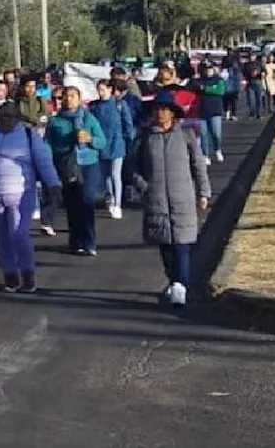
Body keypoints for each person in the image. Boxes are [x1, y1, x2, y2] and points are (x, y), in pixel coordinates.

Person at [130, 91, 211, 308]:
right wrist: (143, 187)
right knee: (165, 246)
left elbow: (198, 165)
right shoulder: (144, 137)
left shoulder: (186, 135)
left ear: (173, 113)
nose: (161, 114)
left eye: (165, 109)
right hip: (156, 199)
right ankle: (173, 280)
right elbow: (132, 168)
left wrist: (203, 192)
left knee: (182, 245)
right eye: (157, 109)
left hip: (182, 197)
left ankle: (180, 285)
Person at [0, 101, 62, 293]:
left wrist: (54, 184)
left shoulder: (29, 136)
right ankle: (10, 276)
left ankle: (28, 274)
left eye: (9, 116)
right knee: (3, 237)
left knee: (19, 235)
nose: (5, 120)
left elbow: (44, 162)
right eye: (2, 115)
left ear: (17, 118)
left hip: (21, 194)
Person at [45, 87, 108, 253]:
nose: (68, 99)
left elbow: (102, 142)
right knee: (72, 204)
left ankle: (90, 242)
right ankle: (76, 242)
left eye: (72, 96)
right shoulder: (55, 121)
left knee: (87, 201)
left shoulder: (89, 118)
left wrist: (90, 139)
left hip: (88, 164)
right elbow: (47, 145)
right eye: (65, 96)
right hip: (67, 165)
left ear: (79, 99)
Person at [91, 79, 135, 220]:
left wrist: (129, 139)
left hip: (117, 144)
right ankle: (110, 196)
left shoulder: (119, 104)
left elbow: (128, 124)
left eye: (103, 89)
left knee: (116, 174)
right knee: (106, 176)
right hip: (101, 144)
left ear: (110, 90)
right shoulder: (94, 107)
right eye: (99, 90)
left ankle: (118, 204)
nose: (101, 92)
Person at [194, 61, 227, 165]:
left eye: (210, 69)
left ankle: (217, 149)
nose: (208, 71)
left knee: (216, 134)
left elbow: (220, 91)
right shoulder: (199, 81)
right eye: (206, 69)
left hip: (215, 110)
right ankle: (205, 155)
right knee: (203, 135)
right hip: (202, 111)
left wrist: (206, 89)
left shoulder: (218, 80)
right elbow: (195, 89)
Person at [223, 57, 242, 121]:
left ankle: (230, 114)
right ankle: (231, 115)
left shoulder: (234, 70)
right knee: (231, 102)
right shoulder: (234, 70)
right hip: (231, 88)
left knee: (230, 102)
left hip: (230, 88)